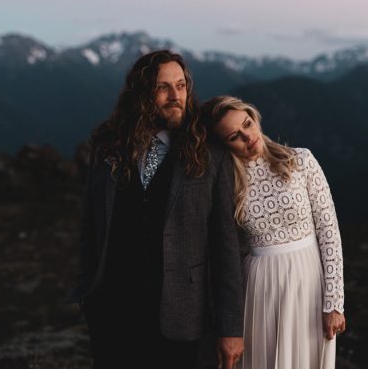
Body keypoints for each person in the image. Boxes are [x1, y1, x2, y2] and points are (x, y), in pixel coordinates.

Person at [67, 51, 244, 368]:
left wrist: (231, 328)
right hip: (113, 312)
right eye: (163, 87)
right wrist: (88, 290)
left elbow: (225, 244)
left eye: (181, 85)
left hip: (182, 315)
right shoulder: (108, 145)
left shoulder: (210, 154)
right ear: (141, 93)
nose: (175, 96)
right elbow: (90, 224)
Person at [201, 95, 346, 369]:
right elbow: (223, 248)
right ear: (224, 145)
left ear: (254, 117)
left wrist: (334, 303)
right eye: (235, 136)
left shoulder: (301, 161)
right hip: (259, 289)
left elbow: (329, 232)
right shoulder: (227, 184)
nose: (248, 136)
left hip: (309, 283)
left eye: (248, 123)